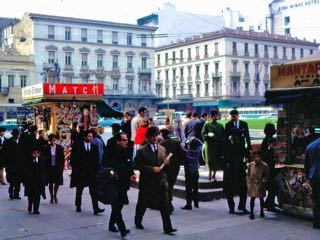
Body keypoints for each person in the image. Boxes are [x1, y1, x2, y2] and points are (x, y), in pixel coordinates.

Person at [134, 126, 177, 235]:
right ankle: (138, 221)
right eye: (152, 136)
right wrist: (151, 169)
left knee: (165, 206)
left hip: (161, 182)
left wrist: (167, 163)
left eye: (156, 135)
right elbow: (137, 165)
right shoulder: (142, 151)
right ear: (148, 137)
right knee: (142, 204)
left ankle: (168, 227)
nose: (154, 138)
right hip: (147, 182)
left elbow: (166, 166)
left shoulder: (162, 149)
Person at [102, 132, 137, 237]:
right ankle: (122, 229)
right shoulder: (110, 153)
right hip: (113, 184)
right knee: (116, 207)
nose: (127, 141)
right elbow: (104, 167)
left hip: (124, 184)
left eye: (126, 140)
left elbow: (129, 164)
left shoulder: (126, 151)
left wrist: (132, 174)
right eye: (124, 140)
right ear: (118, 141)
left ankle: (111, 225)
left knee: (119, 206)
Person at [70, 129, 104, 215]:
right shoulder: (78, 146)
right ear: (85, 137)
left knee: (93, 191)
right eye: (89, 136)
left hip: (91, 173)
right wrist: (76, 171)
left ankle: (96, 208)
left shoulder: (94, 147)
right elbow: (74, 159)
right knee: (79, 190)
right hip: (81, 173)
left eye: (92, 136)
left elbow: (96, 160)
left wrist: (97, 171)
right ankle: (78, 205)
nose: (91, 138)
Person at [223, 128, 249, 214]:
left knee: (243, 189)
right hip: (230, 171)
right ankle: (232, 207)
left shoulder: (239, 144)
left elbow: (246, 154)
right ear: (236, 136)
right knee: (230, 190)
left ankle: (242, 206)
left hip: (239, 169)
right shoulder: (227, 144)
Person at [159, 128, 185, 213]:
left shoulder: (161, 144)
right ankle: (168, 203)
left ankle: (168, 204)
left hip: (165, 169)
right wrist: (178, 162)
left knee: (166, 187)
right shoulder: (176, 142)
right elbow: (183, 154)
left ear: (162, 135)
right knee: (170, 186)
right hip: (175, 168)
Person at [201, 109, 225, 181]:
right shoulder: (207, 125)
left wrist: (221, 141)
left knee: (217, 160)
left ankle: (214, 174)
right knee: (210, 160)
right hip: (210, 146)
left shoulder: (220, 126)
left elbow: (223, 136)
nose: (215, 117)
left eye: (216, 116)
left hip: (218, 146)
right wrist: (207, 135)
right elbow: (203, 134)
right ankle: (210, 172)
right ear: (211, 116)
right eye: (213, 116)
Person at [181, 137, 202, 210]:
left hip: (188, 172)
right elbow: (201, 144)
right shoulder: (198, 151)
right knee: (195, 188)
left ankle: (189, 204)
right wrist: (195, 139)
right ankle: (196, 203)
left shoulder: (186, 152)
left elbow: (181, 148)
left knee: (188, 189)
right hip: (195, 171)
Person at [247, 151, 270, 220]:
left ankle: (262, 211)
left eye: (257, 157)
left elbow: (267, 175)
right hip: (252, 184)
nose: (256, 158)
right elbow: (248, 174)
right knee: (252, 198)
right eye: (254, 157)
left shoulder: (264, 166)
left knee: (261, 198)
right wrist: (248, 183)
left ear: (260, 157)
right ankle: (251, 213)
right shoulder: (251, 165)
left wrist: (264, 180)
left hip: (260, 184)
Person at [24, 147, 46, 214]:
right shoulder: (27, 159)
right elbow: (24, 170)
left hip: (38, 181)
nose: (34, 155)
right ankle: (30, 205)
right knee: (30, 195)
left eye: (36, 153)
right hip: (30, 181)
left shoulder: (42, 160)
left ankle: (36, 209)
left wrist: (43, 180)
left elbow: (44, 171)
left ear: (39, 154)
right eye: (33, 153)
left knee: (37, 196)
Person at [305, 136, 320, 229]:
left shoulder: (311, 146)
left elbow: (306, 164)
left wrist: (308, 177)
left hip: (313, 176)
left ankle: (316, 221)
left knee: (316, 199)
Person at [3, 129, 23, 199]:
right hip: (11, 164)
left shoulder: (20, 142)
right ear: (15, 135)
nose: (18, 136)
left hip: (18, 164)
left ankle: (16, 194)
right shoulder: (7, 142)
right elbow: (4, 154)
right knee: (12, 180)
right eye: (17, 134)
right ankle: (11, 191)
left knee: (18, 180)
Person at [46, 134, 64, 204]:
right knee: (50, 183)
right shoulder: (47, 148)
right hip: (50, 167)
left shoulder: (59, 148)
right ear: (49, 141)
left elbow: (62, 159)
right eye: (51, 140)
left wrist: (61, 168)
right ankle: (51, 197)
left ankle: (55, 195)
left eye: (54, 140)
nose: (53, 142)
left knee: (57, 182)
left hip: (57, 167)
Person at [262, 138, 279, 212]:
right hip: (270, 173)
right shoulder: (268, 152)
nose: (275, 146)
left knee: (272, 190)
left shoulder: (270, 152)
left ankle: (268, 203)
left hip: (271, 173)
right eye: (274, 144)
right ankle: (269, 205)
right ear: (270, 144)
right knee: (272, 190)